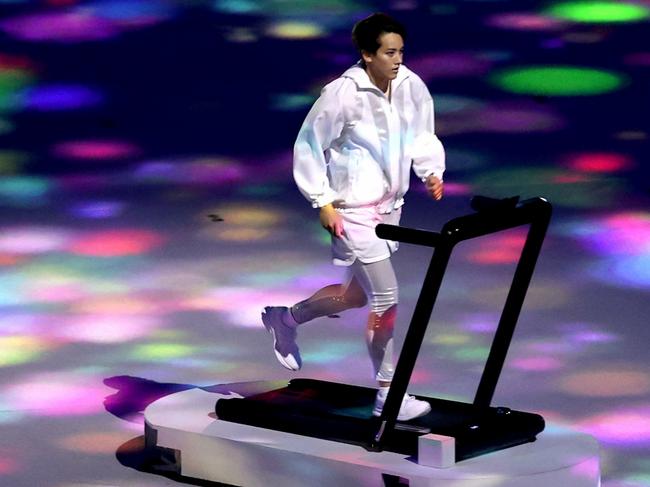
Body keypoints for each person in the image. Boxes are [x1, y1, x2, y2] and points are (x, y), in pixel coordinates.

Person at [262, 12, 445, 421]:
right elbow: (309, 144)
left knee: (355, 297)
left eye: (400, 51)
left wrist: (430, 170)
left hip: (388, 209)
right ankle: (389, 394)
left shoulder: (411, 85)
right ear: (366, 54)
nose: (397, 60)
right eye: (388, 52)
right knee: (386, 298)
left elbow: (422, 133)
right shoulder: (342, 94)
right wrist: (322, 201)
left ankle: (285, 319)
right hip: (352, 211)